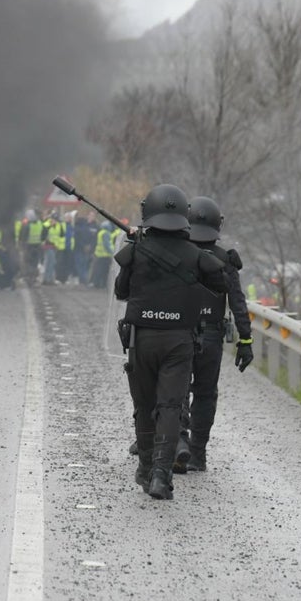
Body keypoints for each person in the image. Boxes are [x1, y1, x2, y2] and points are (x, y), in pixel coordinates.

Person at [114, 184, 226, 500]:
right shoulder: (196, 255)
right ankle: (161, 476)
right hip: (179, 343)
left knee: (145, 406)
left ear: (147, 212)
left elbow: (121, 291)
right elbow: (219, 284)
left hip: (142, 339)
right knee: (171, 407)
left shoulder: (136, 251)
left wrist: (138, 246)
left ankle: (146, 468)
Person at [177, 197, 253, 473]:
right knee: (206, 394)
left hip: (180, 333)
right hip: (211, 336)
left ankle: (179, 443)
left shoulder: (178, 253)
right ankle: (198, 454)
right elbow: (238, 303)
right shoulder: (226, 259)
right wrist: (246, 340)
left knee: (177, 390)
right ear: (216, 224)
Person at [17, 209, 45, 285]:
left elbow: (22, 236)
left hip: (28, 246)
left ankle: (28, 278)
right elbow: (44, 233)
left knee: (27, 262)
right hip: (37, 246)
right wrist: (42, 240)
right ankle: (34, 278)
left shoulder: (27, 225)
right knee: (34, 263)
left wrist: (21, 244)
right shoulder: (40, 223)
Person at [89, 220, 117, 288]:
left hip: (99, 255)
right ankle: (102, 284)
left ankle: (96, 283)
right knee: (104, 271)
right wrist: (112, 252)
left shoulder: (101, 232)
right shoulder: (106, 233)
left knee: (98, 270)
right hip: (105, 255)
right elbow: (107, 245)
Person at [72, 213, 96, 286]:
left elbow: (77, 240)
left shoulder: (76, 229)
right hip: (87, 249)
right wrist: (88, 246)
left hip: (78, 249)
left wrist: (83, 246)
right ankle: (85, 279)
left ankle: (82, 279)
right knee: (85, 265)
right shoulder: (87, 229)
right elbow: (91, 238)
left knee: (79, 265)